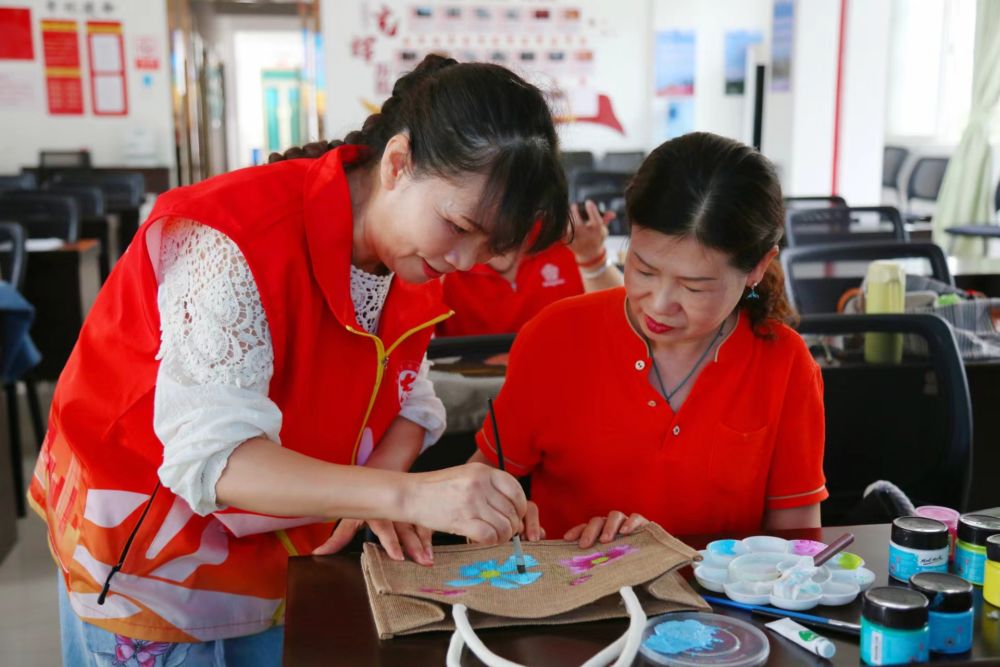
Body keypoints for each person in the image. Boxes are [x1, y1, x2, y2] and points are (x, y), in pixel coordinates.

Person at [30, 54, 568, 664]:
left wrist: (376, 496)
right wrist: (403, 496)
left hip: (283, 560)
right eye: (458, 226)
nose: (464, 262)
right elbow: (216, 461)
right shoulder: (231, 239)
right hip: (156, 562)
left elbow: (410, 398)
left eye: (488, 247)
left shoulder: (411, 257)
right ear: (397, 164)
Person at [471, 132, 827, 549]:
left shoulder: (784, 363)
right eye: (642, 270)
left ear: (757, 267)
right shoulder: (555, 336)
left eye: (694, 288)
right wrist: (505, 519)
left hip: (717, 591)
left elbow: (798, 543)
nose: (659, 304)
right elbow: (483, 490)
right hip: (572, 586)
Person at [435, 200, 623, 337]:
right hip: (465, 378)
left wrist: (591, 256)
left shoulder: (567, 238)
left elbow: (622, 321)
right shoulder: (444, 249)